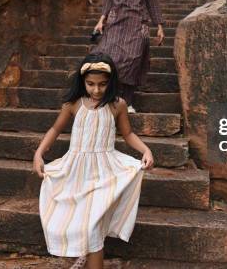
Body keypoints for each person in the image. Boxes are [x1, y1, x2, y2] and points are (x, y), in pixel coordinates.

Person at [33, 53, 155, 269]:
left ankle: (89, 256)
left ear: (111, 82)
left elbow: (128, 134)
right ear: (83, 82)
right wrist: (39, 153)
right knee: (80, 221)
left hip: (105, 171)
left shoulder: (118, 105)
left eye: (102, 84)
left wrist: (146, 150)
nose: (96, 90)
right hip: (76, 171)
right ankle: (85, 254)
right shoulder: (73, 104)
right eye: (90, 84)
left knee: (93, 225)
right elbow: (55, 129)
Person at [91, 0, 165, 114]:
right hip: (116, 21)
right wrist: (101, 20)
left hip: (138, 23)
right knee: (111, 57)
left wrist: (160, 26)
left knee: (133, 60)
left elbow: (152, 2)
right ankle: (112, 96)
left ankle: (128, 102)